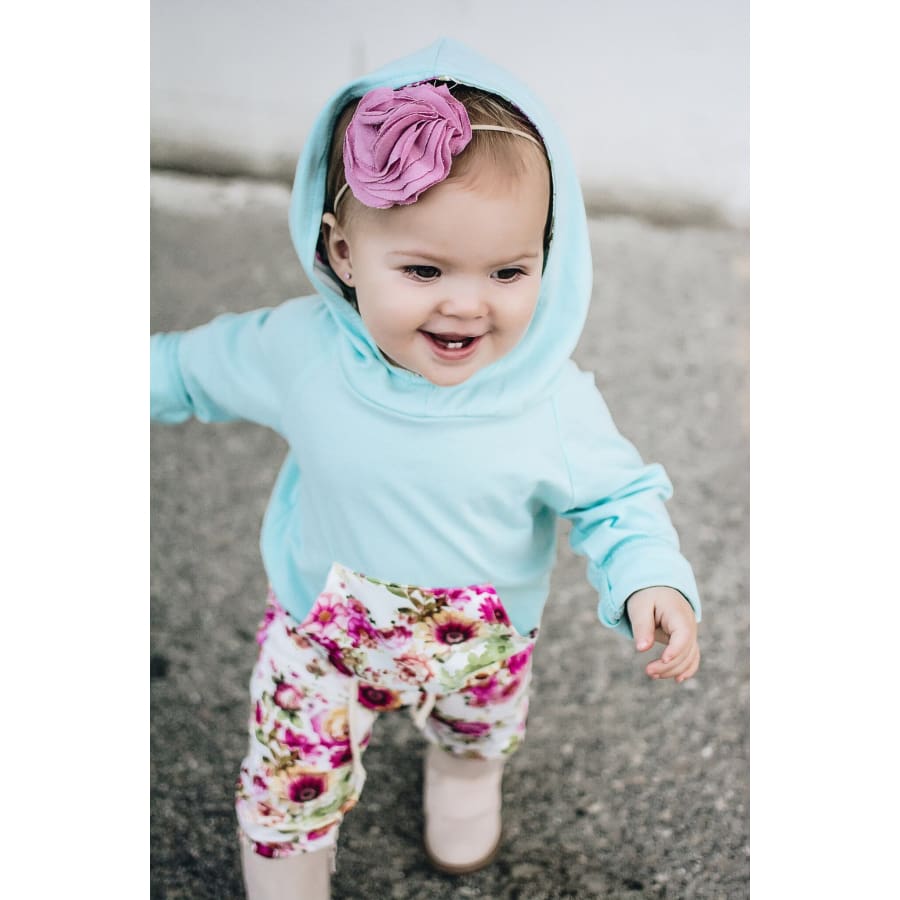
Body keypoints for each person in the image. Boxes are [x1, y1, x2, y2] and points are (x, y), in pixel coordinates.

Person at [151, 37, 701, 900]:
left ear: (548, 259)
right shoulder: (302, 351)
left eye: (508, 270)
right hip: (320, 632)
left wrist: (649, 578)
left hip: (481, 644)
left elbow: (617, 499)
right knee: (288, 786)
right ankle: (291, 865)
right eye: (422, 269)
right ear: (342, 252)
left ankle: (465, 778)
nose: (466, 303)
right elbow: (187, 369)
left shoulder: (548, 399)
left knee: (476, 735)